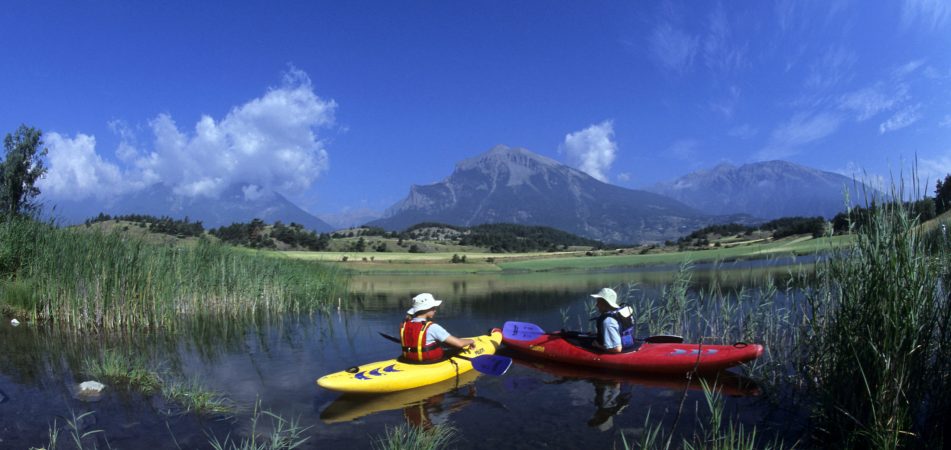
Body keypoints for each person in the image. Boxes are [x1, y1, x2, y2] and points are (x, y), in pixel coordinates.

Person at [400, 293, 474, 363]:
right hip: (428, 361)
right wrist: (471, 341)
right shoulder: (432, 327)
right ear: (427, 309)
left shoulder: (404, 324)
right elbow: (459, 343)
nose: (435, 310)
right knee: (458, 349)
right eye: (433, 308)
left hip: (408, 359)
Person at [590, 288, 635, 353]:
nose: (596, 305)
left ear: (605, 303)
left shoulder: (608, 321)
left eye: (598, 302)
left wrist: (598, 346)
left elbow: (617, 349)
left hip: (620, 351)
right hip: (629, 345)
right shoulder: (622, 312)